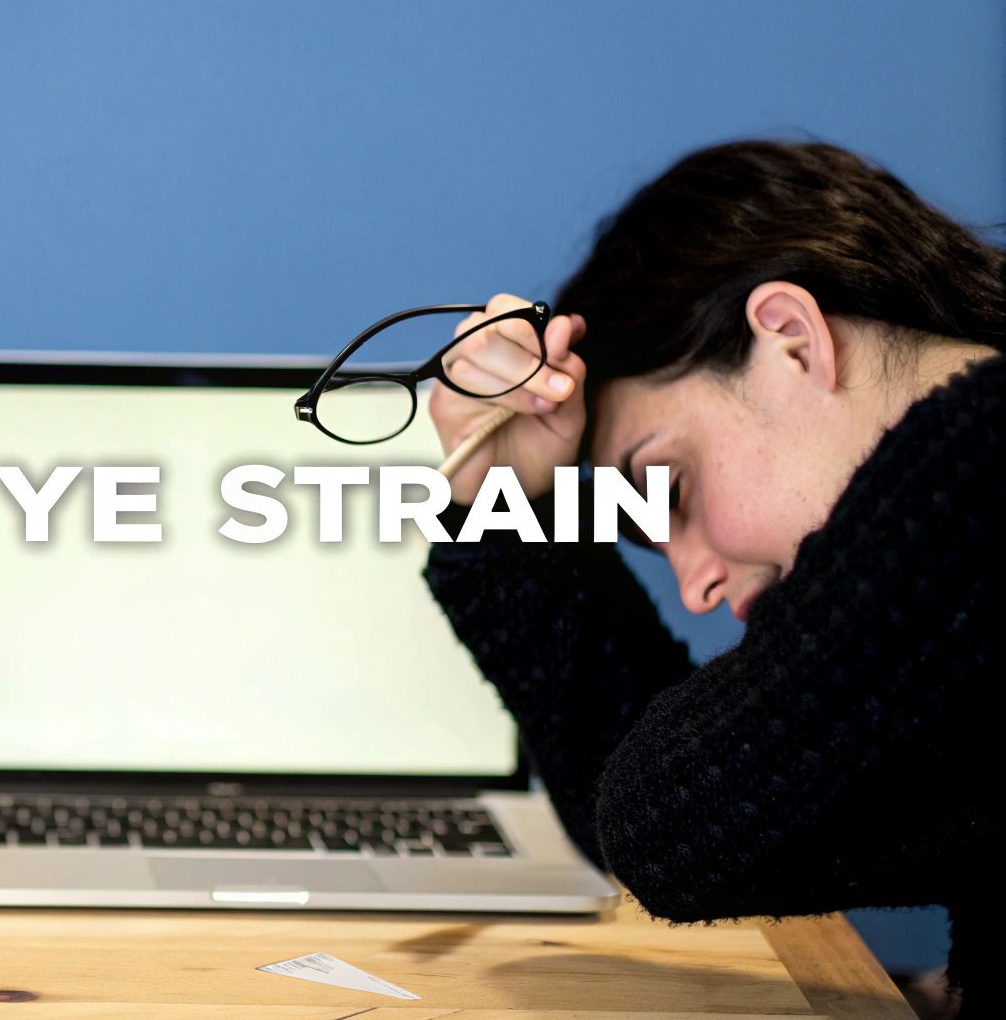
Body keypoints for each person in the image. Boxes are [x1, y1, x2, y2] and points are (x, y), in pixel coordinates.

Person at [421, 140, 1003, 1018]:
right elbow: (685, 813)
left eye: (672, 487)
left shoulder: (981, 450)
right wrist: (500, 504)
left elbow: (665, 828)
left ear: (791, 340)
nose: (695, 588)